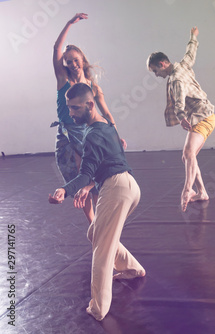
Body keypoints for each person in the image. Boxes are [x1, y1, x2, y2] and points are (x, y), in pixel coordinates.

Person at [48, 83, 144, 321]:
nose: (70, 113)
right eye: (69, 108)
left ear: (90, 105)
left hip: (116, 190)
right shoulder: (108, 126)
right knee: (96, 234)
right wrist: (91, 187)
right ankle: (132, 268)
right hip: (130, 187)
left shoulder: (92, 134)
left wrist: (64, 189)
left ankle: (99, 308)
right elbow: (111, 162)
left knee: (101, 250)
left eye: (75, 108)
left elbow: (84, 174)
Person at [52, 13, 126, 224]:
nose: (73, 64)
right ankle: (93, 222)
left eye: (76, 60)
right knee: (78, 176)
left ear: (82, 60)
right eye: (69, 61)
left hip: (87, 133)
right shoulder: (62, 79)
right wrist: (69, 24)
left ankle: (99, 220)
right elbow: (56, 49)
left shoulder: (94, 87)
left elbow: (107, 114)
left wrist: (115, 137)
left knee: (91, 177)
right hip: (67, 132)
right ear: (65, 64)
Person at [146, 26, 215, 212]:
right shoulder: (182, 65)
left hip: (204, 118)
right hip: (202, 116)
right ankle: (201, 192)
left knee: (188, 154)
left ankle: (187, 190)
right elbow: (190, 53)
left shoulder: (176, 78)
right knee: (187, 156)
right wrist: (193, 36)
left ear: (162, 64)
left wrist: (182, 116)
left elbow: (179, 102)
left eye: (155, 71)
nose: (156, 76)